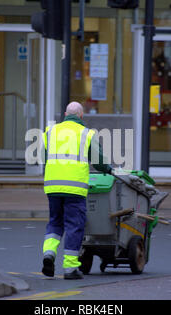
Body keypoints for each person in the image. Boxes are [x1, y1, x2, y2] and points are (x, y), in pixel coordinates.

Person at [42, 101, 112, 280]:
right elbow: (99, 162)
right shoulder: (86, 134)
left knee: (55, 222)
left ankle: (49, 253)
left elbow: (44, 158)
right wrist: (109, 170)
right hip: (75, 187)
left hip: (53, 186)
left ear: (65, 115)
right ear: (81, 116)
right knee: (74, 225)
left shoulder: (50, 132)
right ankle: (70, 268)